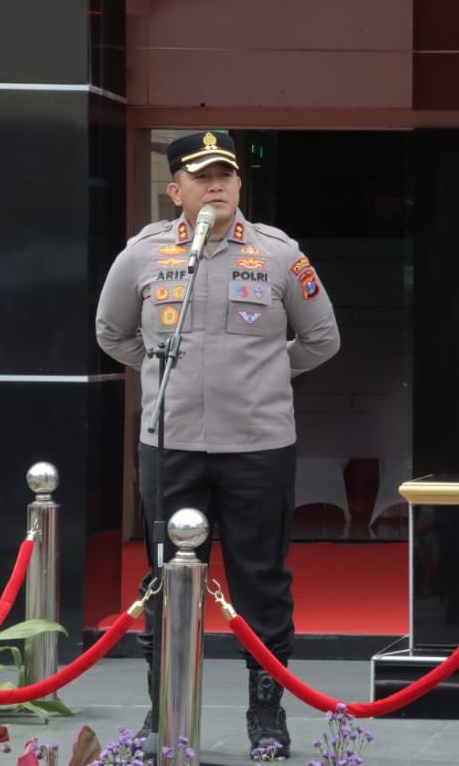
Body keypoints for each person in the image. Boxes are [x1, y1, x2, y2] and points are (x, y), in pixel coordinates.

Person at [95, 131, 341, 757]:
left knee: (262, 580)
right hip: (170, 442)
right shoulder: (143, 255)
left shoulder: (279, 254)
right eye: (202, 177)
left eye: (225, 175)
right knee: (166, 579)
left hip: (258, 444)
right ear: (175, 189)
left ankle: (267, 714)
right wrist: (164, 370)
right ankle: (164, 710)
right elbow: (112, 333)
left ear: (239, 184)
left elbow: (321, 338)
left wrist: (262, 373)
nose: (216, 186)